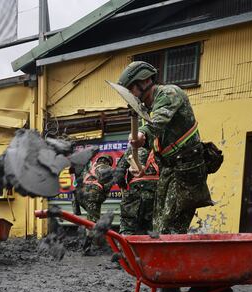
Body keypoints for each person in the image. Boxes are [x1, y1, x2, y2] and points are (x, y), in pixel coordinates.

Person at [121, 61, 211, 235]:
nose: (129, 96)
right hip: (168, 169)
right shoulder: (146, 111)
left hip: (187, 168)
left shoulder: (170, 93)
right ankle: (161, 261)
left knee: (172, 227)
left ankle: (174, 261)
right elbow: (148, 143)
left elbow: (156, 124)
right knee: (158, 226)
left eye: (130, 89)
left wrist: (141, 134)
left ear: (143, 81)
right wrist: (138, 165)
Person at [116, 146, 159, 235]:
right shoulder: (157, 149)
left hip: (134, 192)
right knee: (153, 228)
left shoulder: (130, 151)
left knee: (128, 226)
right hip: (156, 193)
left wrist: (123, 186)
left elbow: (118, 175)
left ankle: (126, 248)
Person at [77, 154, 115, 253]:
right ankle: (87, 247)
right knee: (93, 223)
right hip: (92, 195)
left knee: (91, 219)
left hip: (80, 196)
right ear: (108, 162)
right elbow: (107, 186)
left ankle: (92, 244)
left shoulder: (90, 169)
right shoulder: (107, 168)